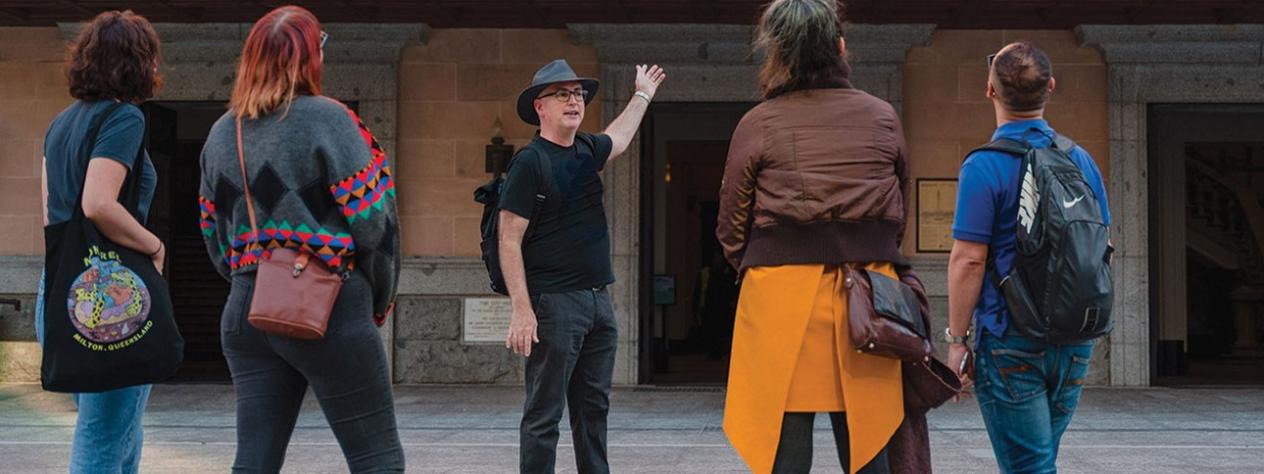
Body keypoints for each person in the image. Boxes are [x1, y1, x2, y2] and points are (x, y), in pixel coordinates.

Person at [197, 6, 403, 472]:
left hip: (248, 308)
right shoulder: (330, 119)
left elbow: (211, 230)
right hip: (329, 300)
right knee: (377, 459)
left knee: (254, 461)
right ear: (310, 57)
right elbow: (376, 223)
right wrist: (376, 299)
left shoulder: (220, 133)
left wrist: (251, 276)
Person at [715, 1, 913, 472]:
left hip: (780, 295)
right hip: (869, 292)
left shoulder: (758, 122)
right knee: (869, 446)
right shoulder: (882, 116)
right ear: (841, 48)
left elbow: (730, 223)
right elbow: (898, 208)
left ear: (778, 56)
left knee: (784, 443)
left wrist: (764, 258)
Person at [945, 42, 1110, 474]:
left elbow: (968, 261)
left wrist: (956, 340)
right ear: (1051, 87)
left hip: (1011, 339)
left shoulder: (983, 167)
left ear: (989, 90)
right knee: (1039, 461)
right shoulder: (1081, 161)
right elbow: (1101, 244)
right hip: (1074, 341)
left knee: (1030, 467)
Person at [500, 58, 665, 474]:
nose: (574, 101)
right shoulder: (529, 162)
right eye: (562, 94)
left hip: (598, 304)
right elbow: (508, 239)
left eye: (578, 94)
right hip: (554, 305)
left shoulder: (587, 150)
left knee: (593, 413)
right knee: (544, 415)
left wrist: (643, 93)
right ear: (540, 106)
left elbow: (621, 137)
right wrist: (522, 309)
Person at [37, 10, 165, 473]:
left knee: (118, 427)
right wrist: (152, 245)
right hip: (107, 299)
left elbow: (50, 214)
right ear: (134, 61)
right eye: (151, 57)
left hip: (58, 291)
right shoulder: (123, 117)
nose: (156, 68)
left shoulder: (60, 125)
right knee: (106, 431)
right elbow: (97, 203)